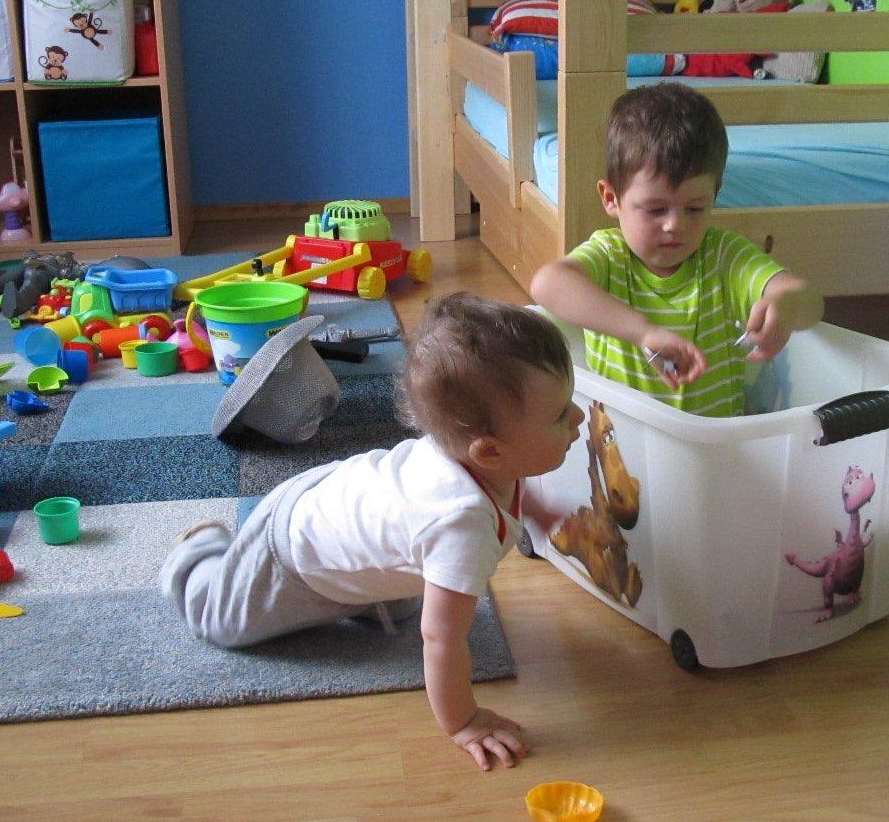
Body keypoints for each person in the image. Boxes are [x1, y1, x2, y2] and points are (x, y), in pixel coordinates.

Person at [160, 292, 583, 771]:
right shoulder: (460, 525)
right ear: (489, 452)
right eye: (560, 416)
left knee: (404, 603)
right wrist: (464, 721)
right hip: (293, 551)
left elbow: (507, 495)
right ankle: (200, 549)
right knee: (221, 622)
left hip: (343, 507)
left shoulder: (487, 458)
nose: (579, 417)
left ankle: (362, 592)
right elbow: (441, 640)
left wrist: (539, 514)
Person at [530, 83, 823, 418]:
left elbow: (810, 301)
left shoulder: (723, 256)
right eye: (655, 209)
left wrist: (784, 305)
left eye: (695, 208)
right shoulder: (610, 256)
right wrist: (644, 332)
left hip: (717, 442)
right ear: (611, 199)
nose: (675, 225)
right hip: (622, 442)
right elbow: (547, 284)